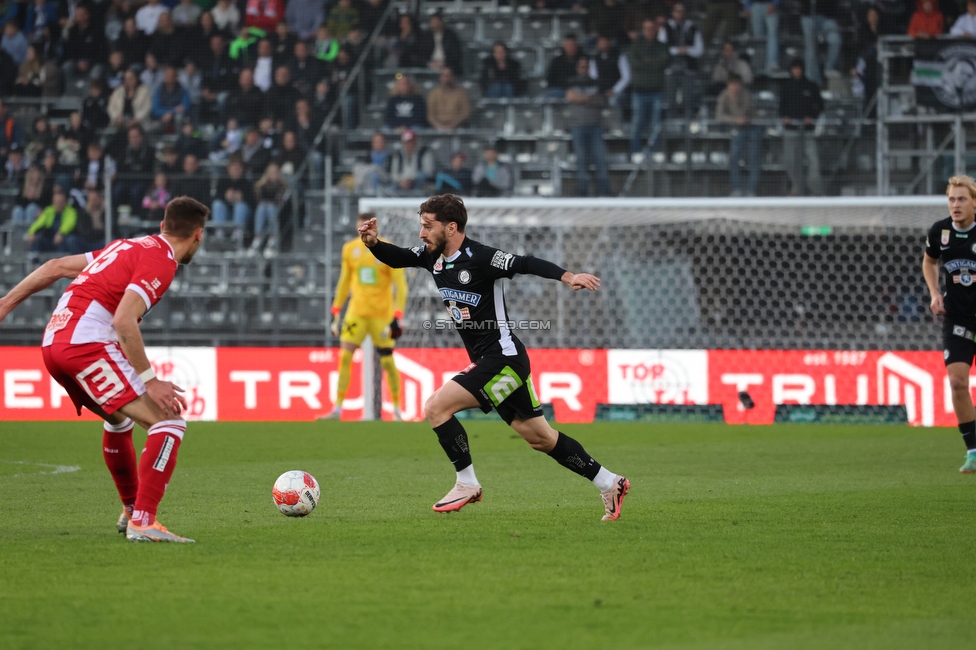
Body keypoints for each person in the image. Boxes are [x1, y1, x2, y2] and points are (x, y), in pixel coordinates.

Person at [358, 195, 630, 520]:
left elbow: (525, 262)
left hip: (503, 359)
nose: (421, 233)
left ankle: (467, 483)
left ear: (452, 227)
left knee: (435, 407)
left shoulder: (482, 257)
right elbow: (399, 257)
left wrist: (567, 276)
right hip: (498, 362)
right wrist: (374, 244)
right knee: (541, 439)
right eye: (421, 226)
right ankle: (610, 483)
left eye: (428, 226)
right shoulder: (433, 257)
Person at [0, 196, 208, 543]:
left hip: (54, 343)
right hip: (85, 344)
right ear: (197, 235)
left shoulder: (126, 247)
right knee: (168, 421)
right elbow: (124, 320)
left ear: (162, 226)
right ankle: (144, 521)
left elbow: (54, 267)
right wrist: (151, 381)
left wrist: (5, 304)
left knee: (119, 420)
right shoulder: (162, 260)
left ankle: (131, 511)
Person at [322, 212, 408, 421]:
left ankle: (396, 409)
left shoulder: (387, 249)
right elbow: (344, 280)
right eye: (360, 226)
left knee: (387, 362)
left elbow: (401, 285)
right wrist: (336, 309)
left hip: (382, 316)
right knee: (344, 357)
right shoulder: (350, 249)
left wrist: (398, 314)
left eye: (366, 226)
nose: (363, 229)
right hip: (356, 314)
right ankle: (337, 409)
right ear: (356, 226)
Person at [923, 176, 976, 474]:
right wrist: (934, 293)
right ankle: (973, 452)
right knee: (957, 382)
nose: (955, 205)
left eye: (962, 199)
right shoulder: (940, 231)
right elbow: (929, 262)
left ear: (974, 203)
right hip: (957, 317)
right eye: (952, 199)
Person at [566, 55, 611, 198]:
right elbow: (570, 98)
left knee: (601, 159)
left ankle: (604, 192)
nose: (584, 68)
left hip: (595, 127)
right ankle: (582, 193)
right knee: (581, 160)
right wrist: (589, 98)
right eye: (581, 66)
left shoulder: (596, 82)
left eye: (586, 66)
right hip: (578, 126)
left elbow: (602, 101)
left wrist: (581, 98)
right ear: (577, 67)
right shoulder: (571, 82)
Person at [780, 58, 823, 196]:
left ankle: (814, 188)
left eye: (798, 68)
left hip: (807, 131)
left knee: (813, 160)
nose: (796, 71)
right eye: (794, 68)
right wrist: (785, 117)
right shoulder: (786, 87)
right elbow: (781, 107)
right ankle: (797, 186)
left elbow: (820, 105)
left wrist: (812, 117)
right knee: (790, 160)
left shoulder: (811, 86)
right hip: (791, 130)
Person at [627, 18, 669, 160]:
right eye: (647, 28)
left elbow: (664, 62)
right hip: (639, 91)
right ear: (643, 30)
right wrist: (653, 63)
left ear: (656, 29)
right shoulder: (635, 45)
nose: (650, 31)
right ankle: (635, 153)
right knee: (637, 123)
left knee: (655, 124)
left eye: (652, 28)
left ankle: (653, 152)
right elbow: (634, 63)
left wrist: (645, 62)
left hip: (657, 90)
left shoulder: (663, 46)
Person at [716, 73, 761, 197]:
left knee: (753, 159)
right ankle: (736, 189)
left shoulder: (746, 94)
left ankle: (751, 190)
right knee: (734, 158)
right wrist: (735, 120)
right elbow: (719, 116)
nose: (735, 87)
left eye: (737, 84)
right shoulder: (724, 96)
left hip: (753, 128)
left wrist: (734, 100)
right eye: (732, 84)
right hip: (738, 129)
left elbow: (743, 113)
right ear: (728, 84)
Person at [26, 187, 78, 256]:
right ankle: (34, 262)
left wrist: (61, 233)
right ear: (53, 201)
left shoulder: (71, 212)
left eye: (60, 201)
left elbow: (69, 224)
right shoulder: (48, 210)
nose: (58, 203)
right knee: (37, 239)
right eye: (57, 201)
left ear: (65, 201)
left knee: (69, 240)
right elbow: (39, 223)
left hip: (63, 238)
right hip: (50, 238)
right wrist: (31, 232)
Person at [250, 161, 286, 256]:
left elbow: (281, 202)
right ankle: (258, 238)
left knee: (270, 208)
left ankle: (273, 239)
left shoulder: (283, 186)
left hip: (277, 212)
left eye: (274, 172)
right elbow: (257, 201)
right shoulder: (261, 186)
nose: (272, 174)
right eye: (270, 172)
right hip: (263, 210)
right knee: (262, 208)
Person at [389, 128, 435, 193]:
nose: (409, 145)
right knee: (390, 189)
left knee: (421, 178)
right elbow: (393, 174)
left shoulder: (424, 152)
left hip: (418, 181)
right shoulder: (398, 154)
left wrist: (412, 179)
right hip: (401, 182)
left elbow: (428, 171)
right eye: (406, 142)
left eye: (411, 142)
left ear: (415, 142)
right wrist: (401, 181)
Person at [426, 67, 471, 132]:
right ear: (440, 78)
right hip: (437, 128)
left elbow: (466, 113)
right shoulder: (434, 94)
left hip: (457, 127)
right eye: (444, 76)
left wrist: (453, 125)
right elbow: (430, 115)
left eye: (448, 76)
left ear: (453, 77)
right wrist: (438, 126)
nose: (446, 78)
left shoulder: (461, 93)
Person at [744, 0, 780, 75]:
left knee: (772, 34)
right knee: (758, 37)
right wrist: (747, 6)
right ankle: (759, 64)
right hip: (755, 5)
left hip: (770, 4)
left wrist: (774, 3)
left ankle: (771, 63)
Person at [545, 33, 581, 99]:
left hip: (580, 90)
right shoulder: (557, 61)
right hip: (561, 90)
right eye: (568, 45)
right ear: (564, 46)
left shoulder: (583, 60)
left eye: (573, 45)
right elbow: (550, 80)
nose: (571, 48)